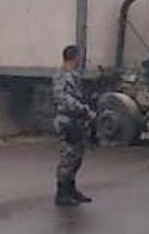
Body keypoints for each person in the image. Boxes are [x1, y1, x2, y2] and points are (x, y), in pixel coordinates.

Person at [52, 45, 96, 207]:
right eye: (79, 57)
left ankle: (71, 189)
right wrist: (84, 109)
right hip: (67, 121)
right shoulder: (63, 76)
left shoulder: (74, 75)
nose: (81, 60)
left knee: (76, 157)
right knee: (68, 158)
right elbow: (63, 99)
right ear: (73, 57)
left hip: (76, 121)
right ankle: (62, 193)